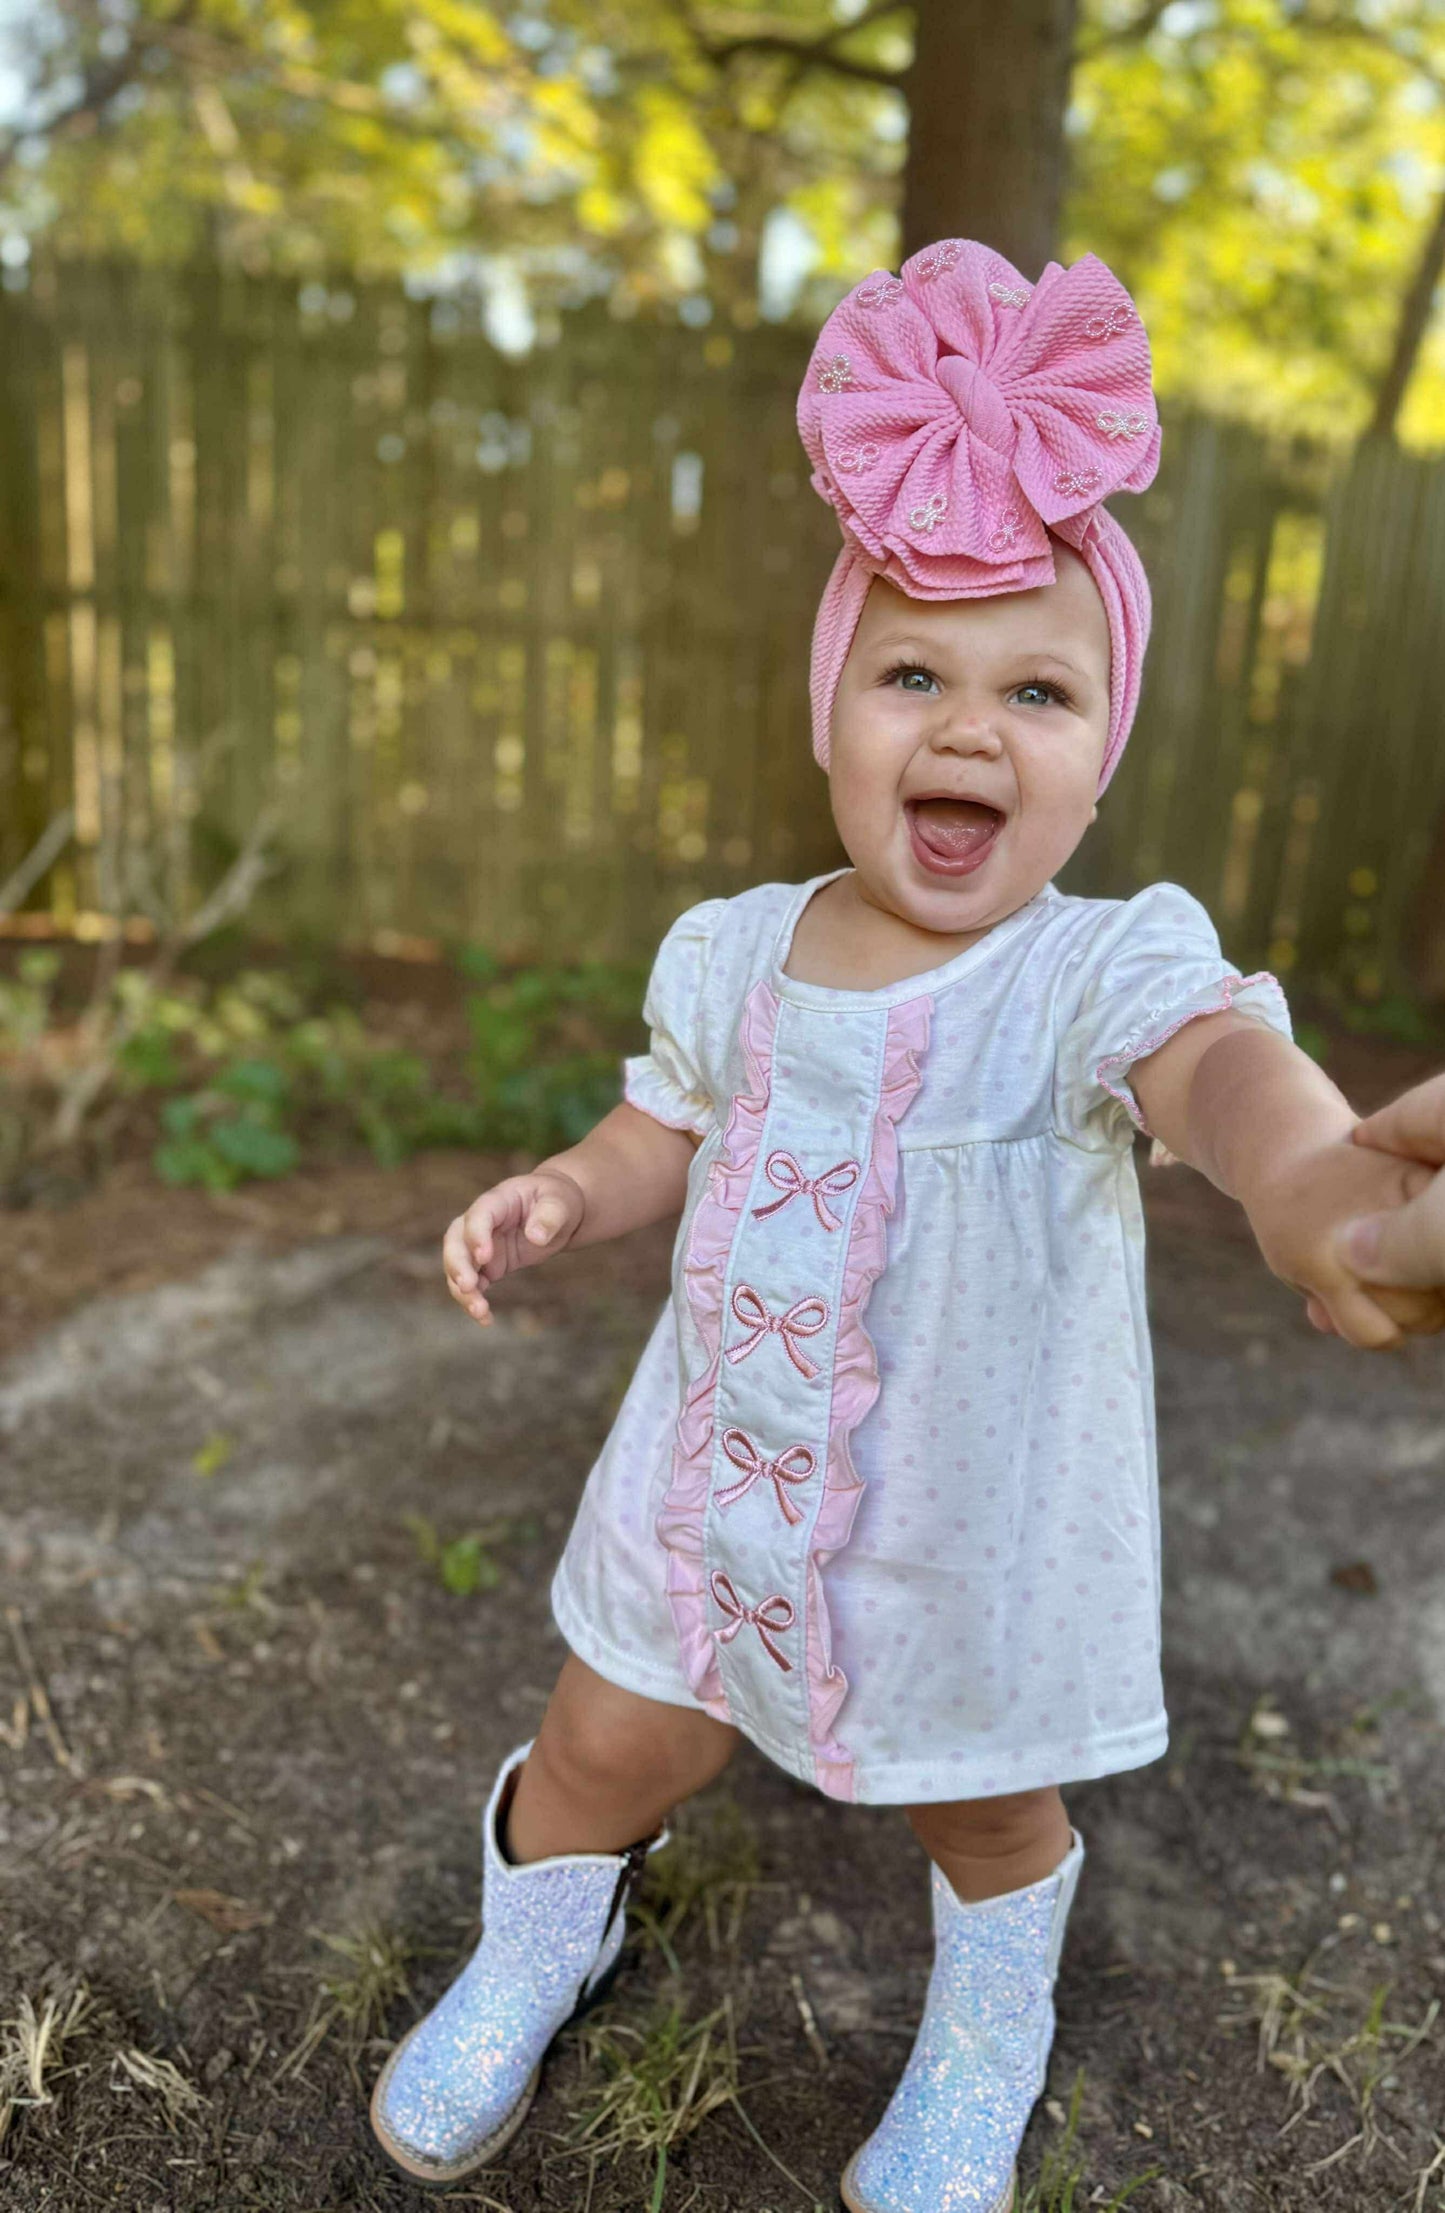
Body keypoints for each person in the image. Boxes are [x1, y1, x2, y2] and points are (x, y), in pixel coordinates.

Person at [369, 241, 1444, 2210]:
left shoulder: (1094, 972)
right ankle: (544, 1930)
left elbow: (1221, 1077)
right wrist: (561, 1193)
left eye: (1037, 688)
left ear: (1098, 752)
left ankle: (991, 2015)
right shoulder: (736, 952)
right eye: (914, 673)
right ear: (832, 712)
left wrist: (1322, 1189)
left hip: (958, 1527)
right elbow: (656, 1132)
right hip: (714, 1488)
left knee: (976, 1796)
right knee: (610, 1735)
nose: (970, 726)